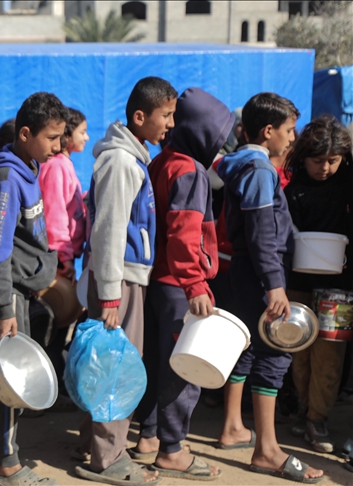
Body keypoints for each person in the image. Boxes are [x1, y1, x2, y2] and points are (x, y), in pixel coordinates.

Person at [214, 92, 324, 483]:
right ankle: (267, 449)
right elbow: (262, 233)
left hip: (244, 271)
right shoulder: (260, 170)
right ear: (268, 131)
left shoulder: (242, 165)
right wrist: (275, 285)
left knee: (247, 348)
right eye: (289, 131)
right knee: (275, 353)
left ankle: (232, 427)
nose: (293, 139)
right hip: (261, 274)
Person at [75, 76, 178, 486]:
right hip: (119, 281)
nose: (170, 124)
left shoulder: (130, 157)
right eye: (165, 115)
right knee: (116, 367)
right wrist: (113, 293)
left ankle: (93, 444)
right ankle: (109, 457)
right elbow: (110, 230)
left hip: (119, 279)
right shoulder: (120, 162)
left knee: (103, 362)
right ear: (140, 117)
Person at [130, 87, 234, 481]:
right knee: (182, 370)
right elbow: (184, 233)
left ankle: (151, 436)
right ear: (202, 132)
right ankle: (173, 450)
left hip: (157, 280)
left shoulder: (163, 162)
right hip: (179, 284)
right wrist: (195, 285)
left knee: (157, 362)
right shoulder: (190, 170)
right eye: (218, 134)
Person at [0, 92, 66, 486]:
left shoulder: (26, 168)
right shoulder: (7, 178)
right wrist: (3, 308)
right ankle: (7, 465)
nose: (58, 147)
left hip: (20, 290)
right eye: (52, 138)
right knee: (12, 378)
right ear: (26, 133)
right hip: (6, 292)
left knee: (2, 373)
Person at [284, 116, 352, 453]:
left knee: (329, 354)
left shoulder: (349, 182)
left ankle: (317, 418)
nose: (324, 168)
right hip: (297, 283)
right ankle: (301, 409)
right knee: (299, 350)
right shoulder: (291, 187)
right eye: (317, 161)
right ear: (302, 157)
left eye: (333, 161)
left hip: (340, 286)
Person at [39, 107, 89, 281]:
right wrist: (63, 256)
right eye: (82, 132)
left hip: (65, 254)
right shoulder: (56, 166)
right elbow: (55, 214)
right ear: (67, 136)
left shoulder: (65, 164)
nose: (87, 137)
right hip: (57, 257)